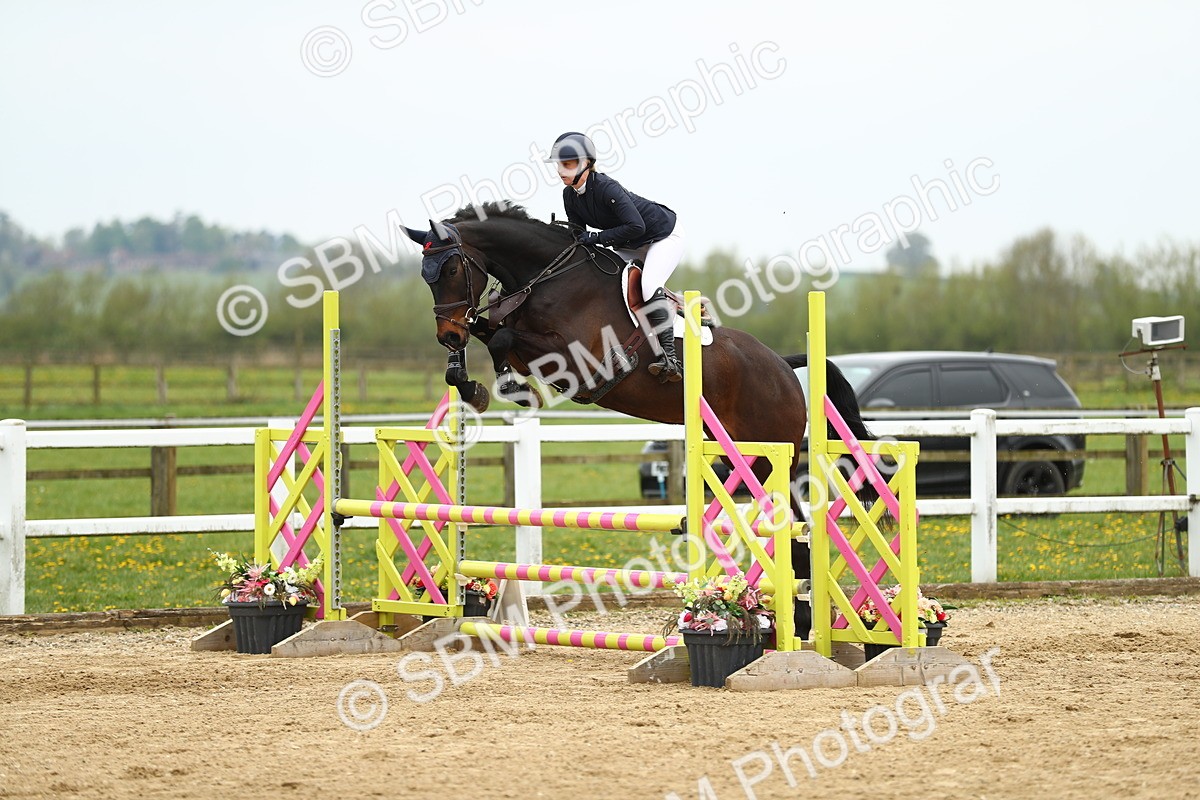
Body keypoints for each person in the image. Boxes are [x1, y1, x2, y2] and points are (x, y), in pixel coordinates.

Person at [547, 131, 685, 382]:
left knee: (649, 285)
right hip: (629, 242)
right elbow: (580, 237)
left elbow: (636, 227)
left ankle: (670, 357)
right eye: (559, 164)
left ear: (586, 163)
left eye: (567, 164)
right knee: (607, 279)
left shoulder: (605, 188)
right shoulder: (570, 196)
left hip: (662, 237)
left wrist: (596, 239)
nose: (560, 170)